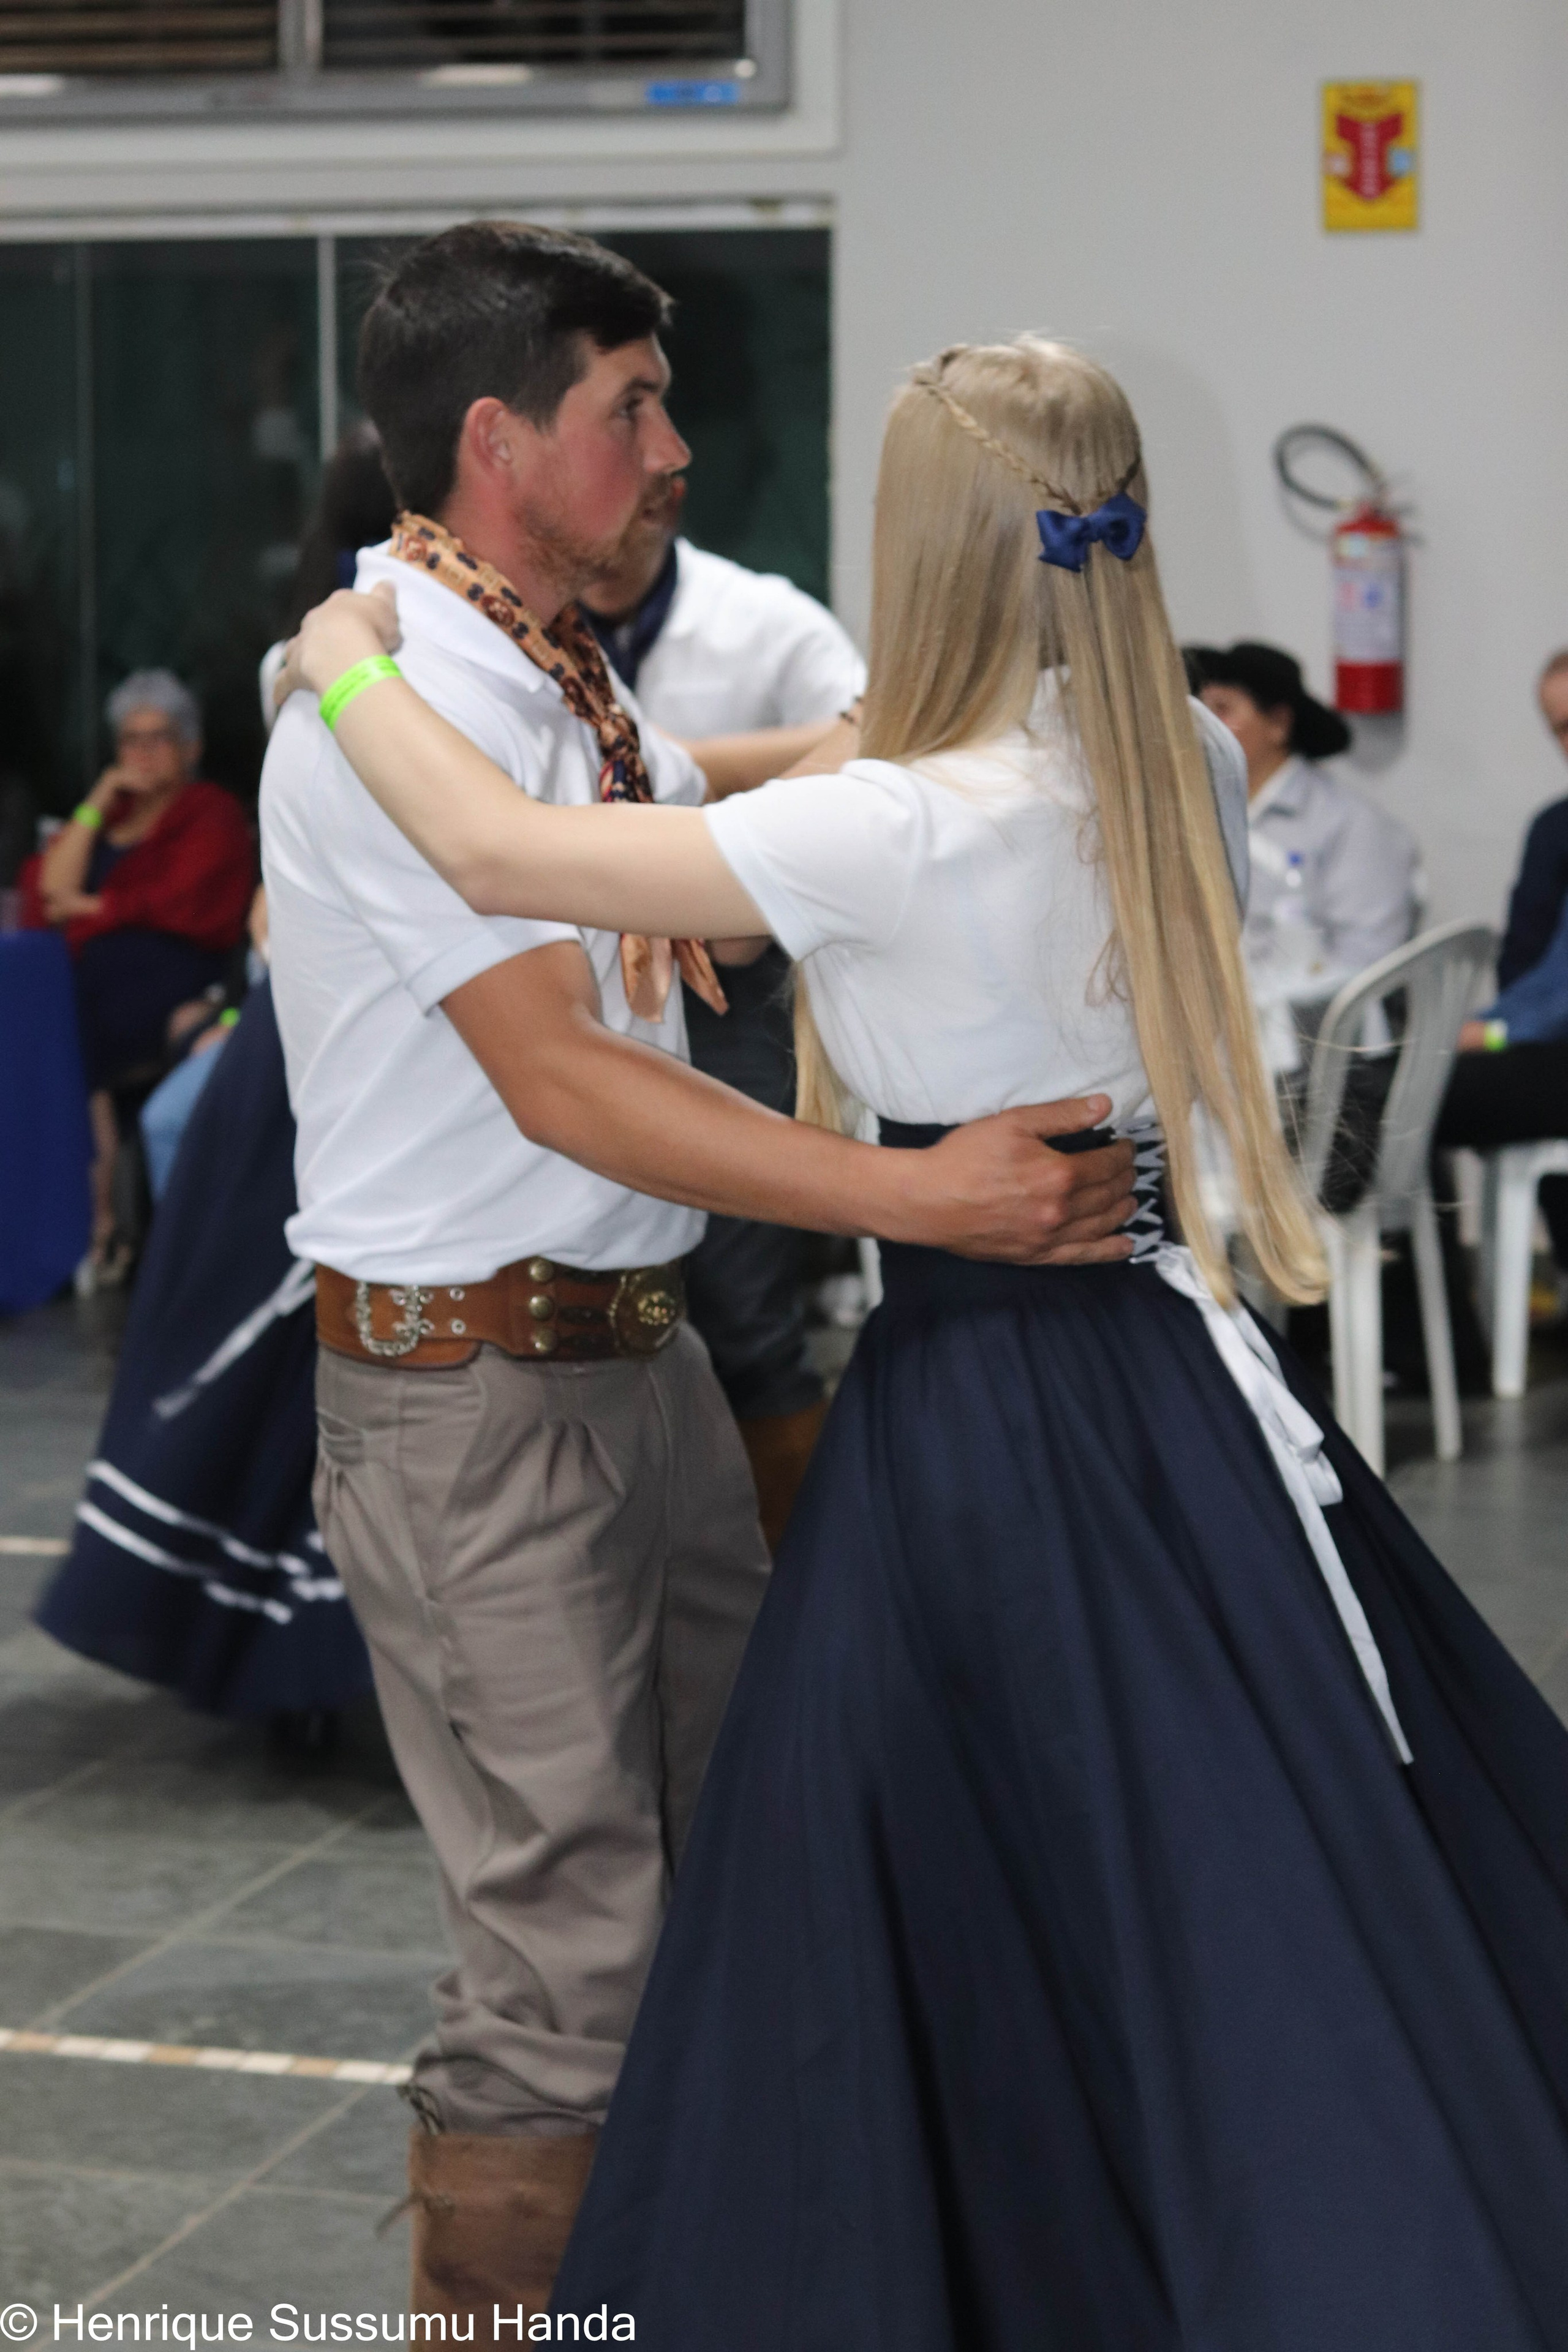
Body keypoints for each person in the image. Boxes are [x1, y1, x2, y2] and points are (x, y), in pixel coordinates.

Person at [296, 333, 1568, 2351]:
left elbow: (491, 856)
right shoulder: (1182, 757)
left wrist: (348, 654)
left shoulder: (896, 823)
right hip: (1169, 1376)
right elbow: (750, 781)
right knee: (1194, 1865)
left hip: (977, 1408)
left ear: (923, 546)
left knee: (969, 1879)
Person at [259, 227, 1139, 2328]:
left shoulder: (529, 671)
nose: (674, 447)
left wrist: (924, 739)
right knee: (567, 1963)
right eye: (628, 408)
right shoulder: (385, 712)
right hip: (477, 1405)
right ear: (497, 439)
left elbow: (661, 807)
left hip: (629, 1373)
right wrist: (912, 1198)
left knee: (721, 1867)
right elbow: (564, 1083)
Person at [581, 472, 865, 1544]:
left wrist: (685, 792)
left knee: (745, 1311)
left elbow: (872, 734)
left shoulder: (765, 620)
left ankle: (799, 1582)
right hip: (570, 982)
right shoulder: (514, 630)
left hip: (724, 987)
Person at [23, 669, 254, 1280]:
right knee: (58, 1008)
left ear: (191, 747)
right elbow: (48, 890)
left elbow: (184, 904)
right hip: (99, 982)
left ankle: (100, 1223)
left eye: (159, 737)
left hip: (179, 969)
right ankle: (92, 1223)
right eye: (130, 740)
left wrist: (93, 910)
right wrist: (100, 797)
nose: (144, 752)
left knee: (76, 1015)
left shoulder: (210, 810)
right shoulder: (111, 815)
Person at [1186, 639, 1419, 1069]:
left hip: (1315, 1053)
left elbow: (1368, 963)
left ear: (1277, 724)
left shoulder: (1349, 822)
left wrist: (1262, 1001)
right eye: (1198, 711)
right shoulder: (1195, 814)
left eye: (1223, 710)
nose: (1203, 729)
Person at [1438, 647, 1568, 1270]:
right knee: (1395, 1090)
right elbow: (1530, 966)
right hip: (1543, 1044)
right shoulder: (1554, 828)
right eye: (1561, 728)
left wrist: (1491, 1032)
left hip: (1545, 1047)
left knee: (1389, 1094)